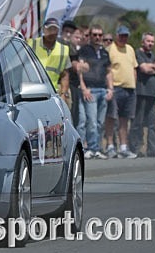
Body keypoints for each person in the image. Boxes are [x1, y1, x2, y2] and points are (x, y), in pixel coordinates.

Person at [78, 24, 113, 159]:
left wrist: (111, 89)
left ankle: (97, 148)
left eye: (100, 35)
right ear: (90, 36)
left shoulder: (105, 53)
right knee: (91, 121)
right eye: (95, 35)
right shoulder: (84, 50)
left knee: (100, 122)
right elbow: (80, 71)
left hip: (103, 90)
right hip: (90, 90)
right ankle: (91, 147)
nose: (97, 37)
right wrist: (84, 88)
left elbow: (109, 72)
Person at [129, 32, 155, 157]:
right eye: (148, 41)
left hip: (154, 94)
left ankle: (153, 149)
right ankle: (135, 148)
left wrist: (152, 67)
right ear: (142, 42)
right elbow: (144, 68)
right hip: (141, 92)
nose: (150, 44)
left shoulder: (152, 55)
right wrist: (154, 67)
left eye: (152, 42)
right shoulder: (138, 53)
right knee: (138, 122)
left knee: (154, 122)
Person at [105, 25, 138, 158]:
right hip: (116, 87)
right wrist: (110, 87)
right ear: (116, 35)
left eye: (126, 36)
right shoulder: (110, 49)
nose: (124, 38)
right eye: (122, 36)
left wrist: (134, 83)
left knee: (125, 119)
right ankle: (110, 145)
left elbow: (134, 67)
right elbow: (107, 69)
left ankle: (124, 146)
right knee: (111, 117)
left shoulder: (130, 49)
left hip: (129, 88)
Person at [28, 17, 71, 99]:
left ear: (58, 32)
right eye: (49, 29)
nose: (52, 33)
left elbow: (65, 75)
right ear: (44, 30)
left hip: (52, 95)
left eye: (54, 30)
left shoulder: (63, 50)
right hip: (30, 93)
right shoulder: (31, 44)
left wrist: (63, 93)